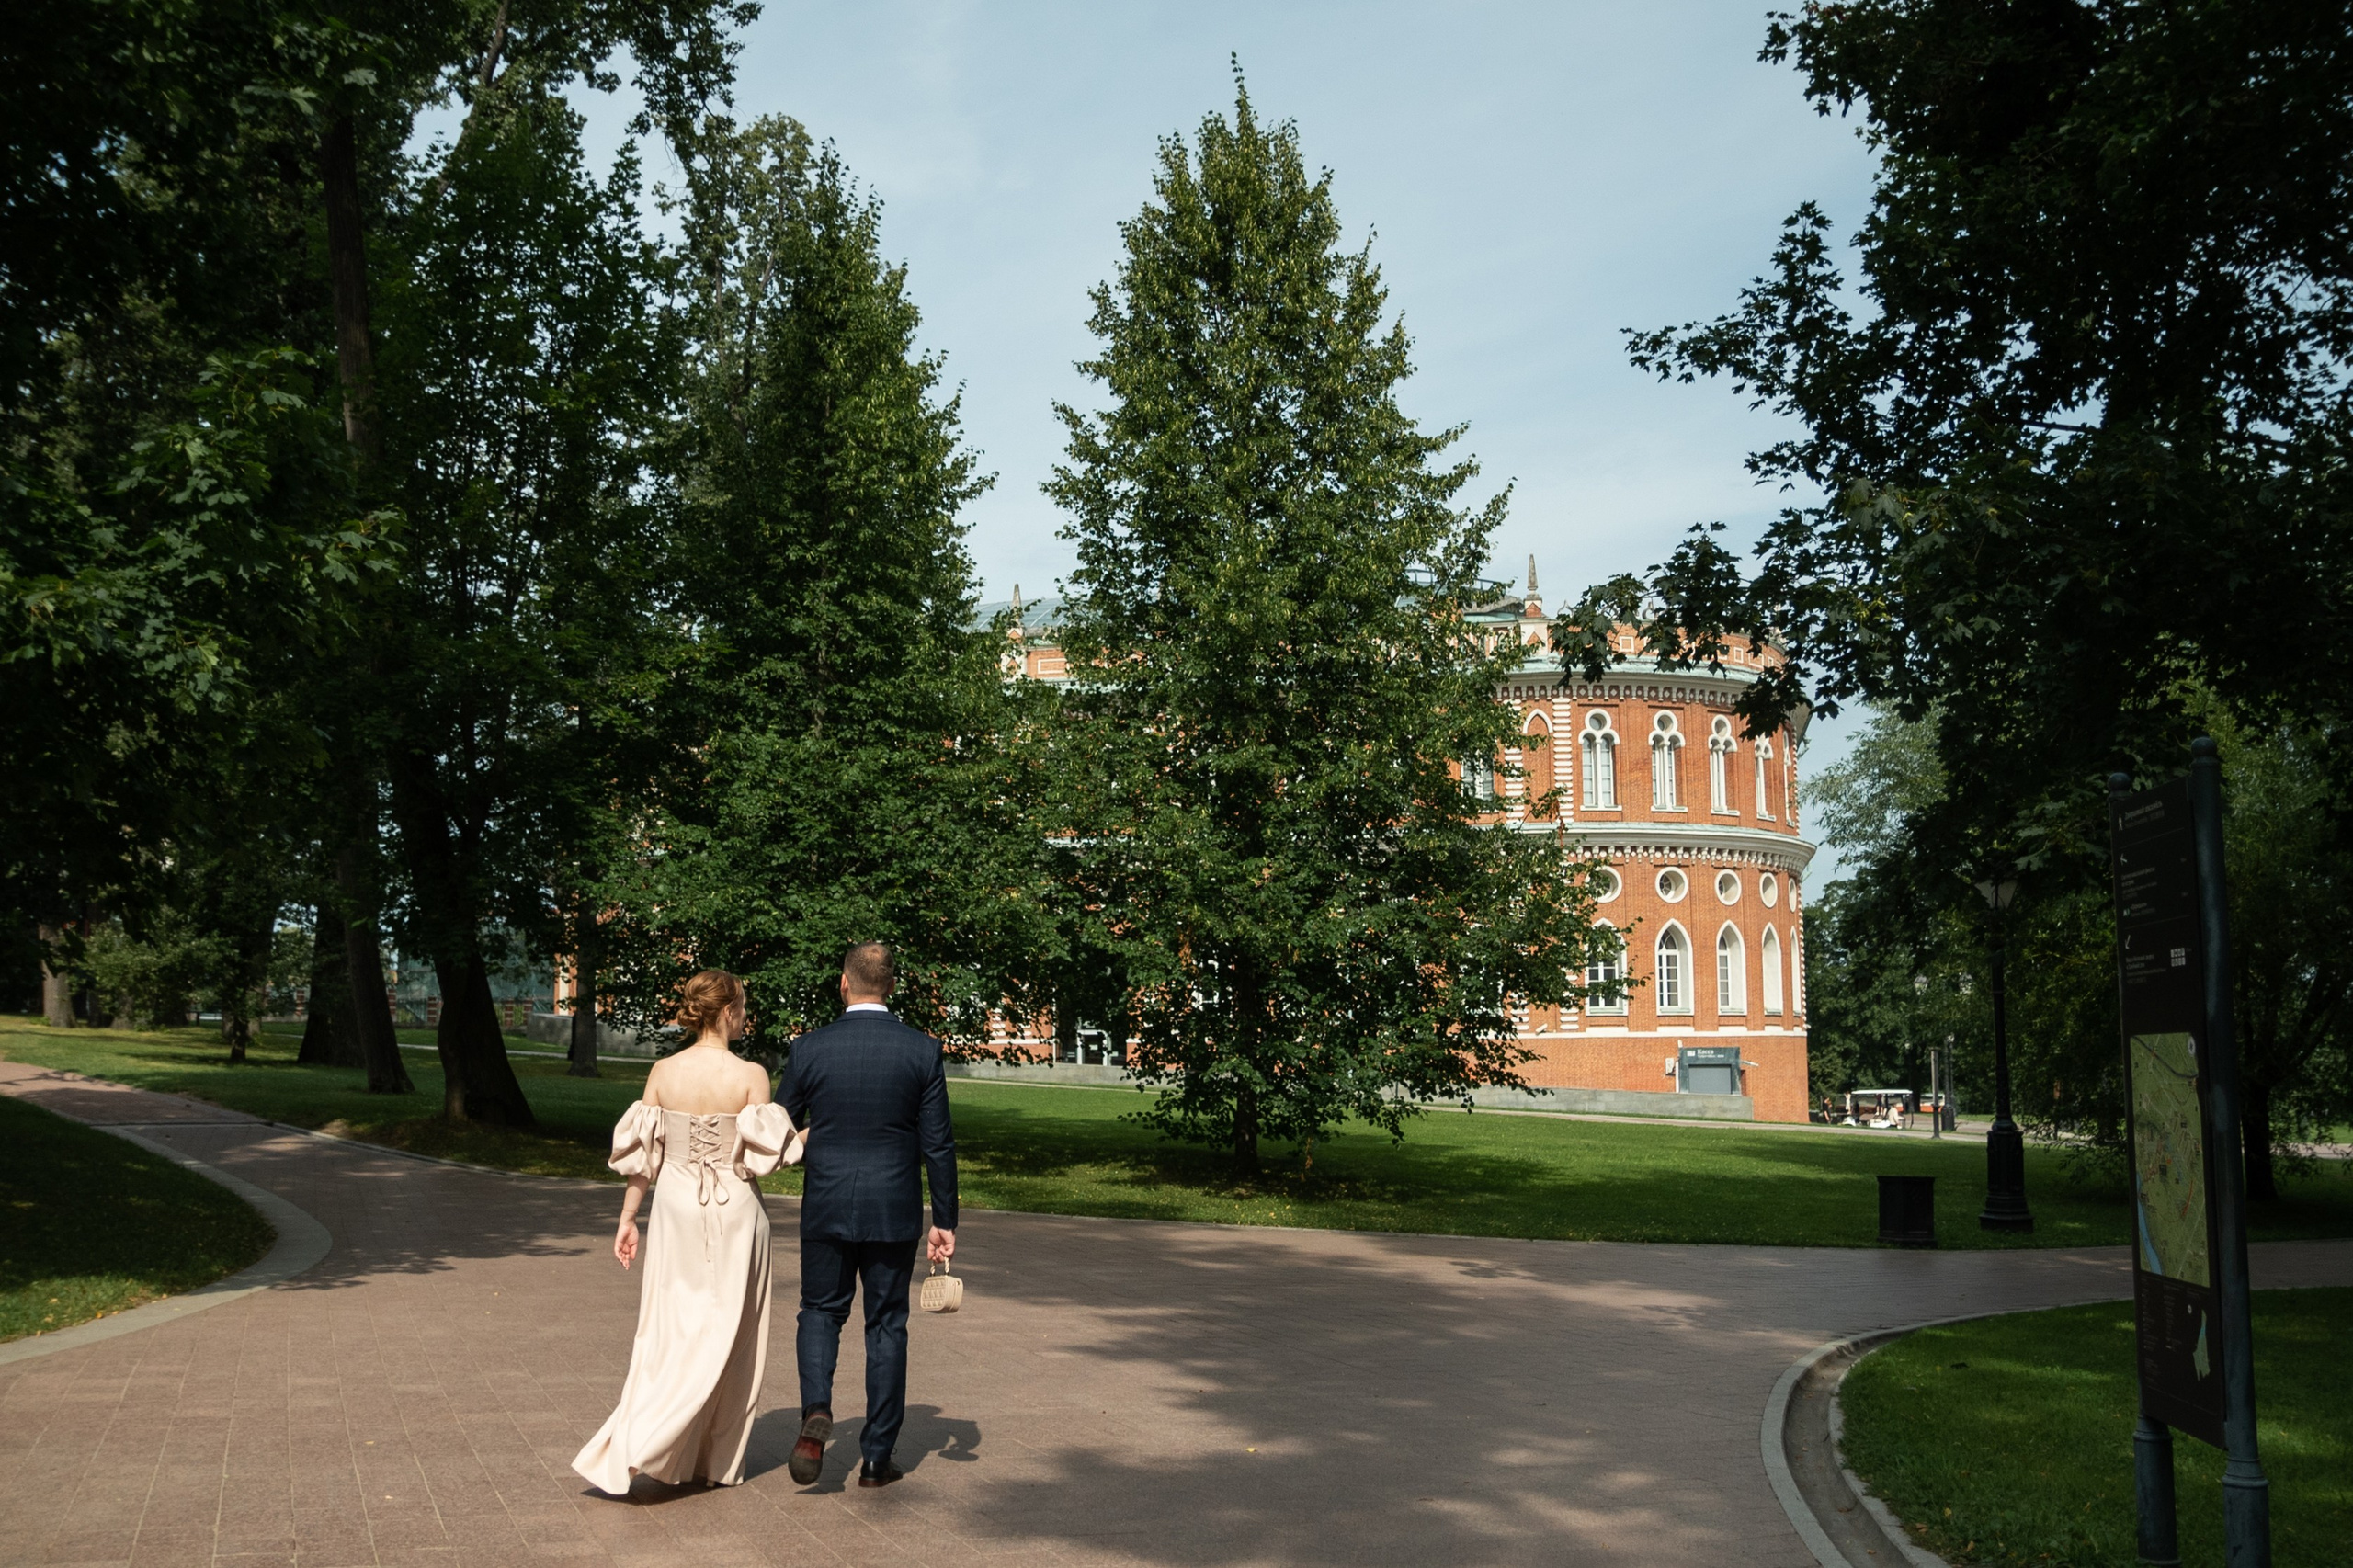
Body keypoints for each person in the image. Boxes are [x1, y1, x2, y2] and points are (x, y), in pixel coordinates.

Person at [574, 970, 802, 1494]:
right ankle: (710, 1459)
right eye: (743, 1007)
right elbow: (770, 1159)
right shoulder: (751, 1074)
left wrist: (628, 1218)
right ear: (727, 1012)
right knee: (733, 1337)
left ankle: (656, 1437)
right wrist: (806, 1136)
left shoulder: (663, 1070)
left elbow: (643, 1162)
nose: (746, 1016)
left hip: (674, 1209)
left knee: (669, 1330)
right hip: (737, 1211)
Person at [779, 940, 958, 1489]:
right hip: (893, 1207)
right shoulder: (921, 1050)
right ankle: (877, 1459)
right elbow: (939, 1144)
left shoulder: (810, 1048)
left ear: (843, 982)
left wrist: (813, 1138)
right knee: (886, 1325)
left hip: (828, 1202)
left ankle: (817, 1409)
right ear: (893, 986)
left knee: (819, 1310)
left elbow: (778, 1121)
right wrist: (944, 1219)